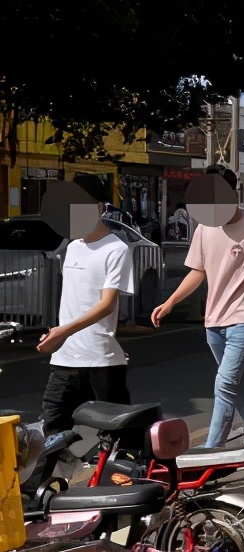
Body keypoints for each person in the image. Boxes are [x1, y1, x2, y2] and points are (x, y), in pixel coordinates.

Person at [151, 165, 244, 452]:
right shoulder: (204, 229)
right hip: (214, 321)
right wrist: (170, 302)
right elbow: (197, 271)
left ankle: (212, 450)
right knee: (235, 382)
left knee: (224, 383)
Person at [36, 176, 136, 432]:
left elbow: (107, 305)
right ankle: (54, 473)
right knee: (51, 432)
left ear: (100, 208)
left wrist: (63, 331)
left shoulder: (116, 249)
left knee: (122, 437)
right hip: (64, 359)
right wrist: (60, 335)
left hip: (101, 361)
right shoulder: (72, 247)